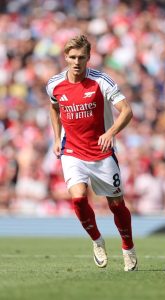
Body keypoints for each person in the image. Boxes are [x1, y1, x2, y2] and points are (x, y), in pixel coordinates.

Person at [46, 34, 137, 271]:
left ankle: (128, 247)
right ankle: (97, 241)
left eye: (82, 57)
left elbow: (126, 111)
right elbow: (54, 108)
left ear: (89, 58)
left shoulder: (101, 81)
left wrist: (111, 133)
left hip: (102, 152)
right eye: (72, 57)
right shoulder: (54, 84)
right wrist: (57, 138)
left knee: (116, 205)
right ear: (65, 57)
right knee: (77, 198)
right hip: (72, 151)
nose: (77, 62)